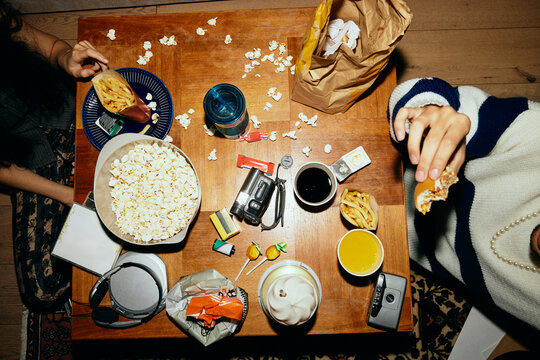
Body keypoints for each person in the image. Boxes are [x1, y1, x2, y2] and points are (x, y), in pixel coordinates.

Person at [387, 77, 540, 329]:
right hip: (395, 164)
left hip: (410, 254)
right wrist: (431, 110)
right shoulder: (534, 134)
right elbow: (432, 103)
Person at [0, 0, 108, 311]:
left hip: (69, 108)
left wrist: (66, 59)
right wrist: (65, 193)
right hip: (28, 159)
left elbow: (51, 49)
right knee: (41, 290)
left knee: (144, 125)